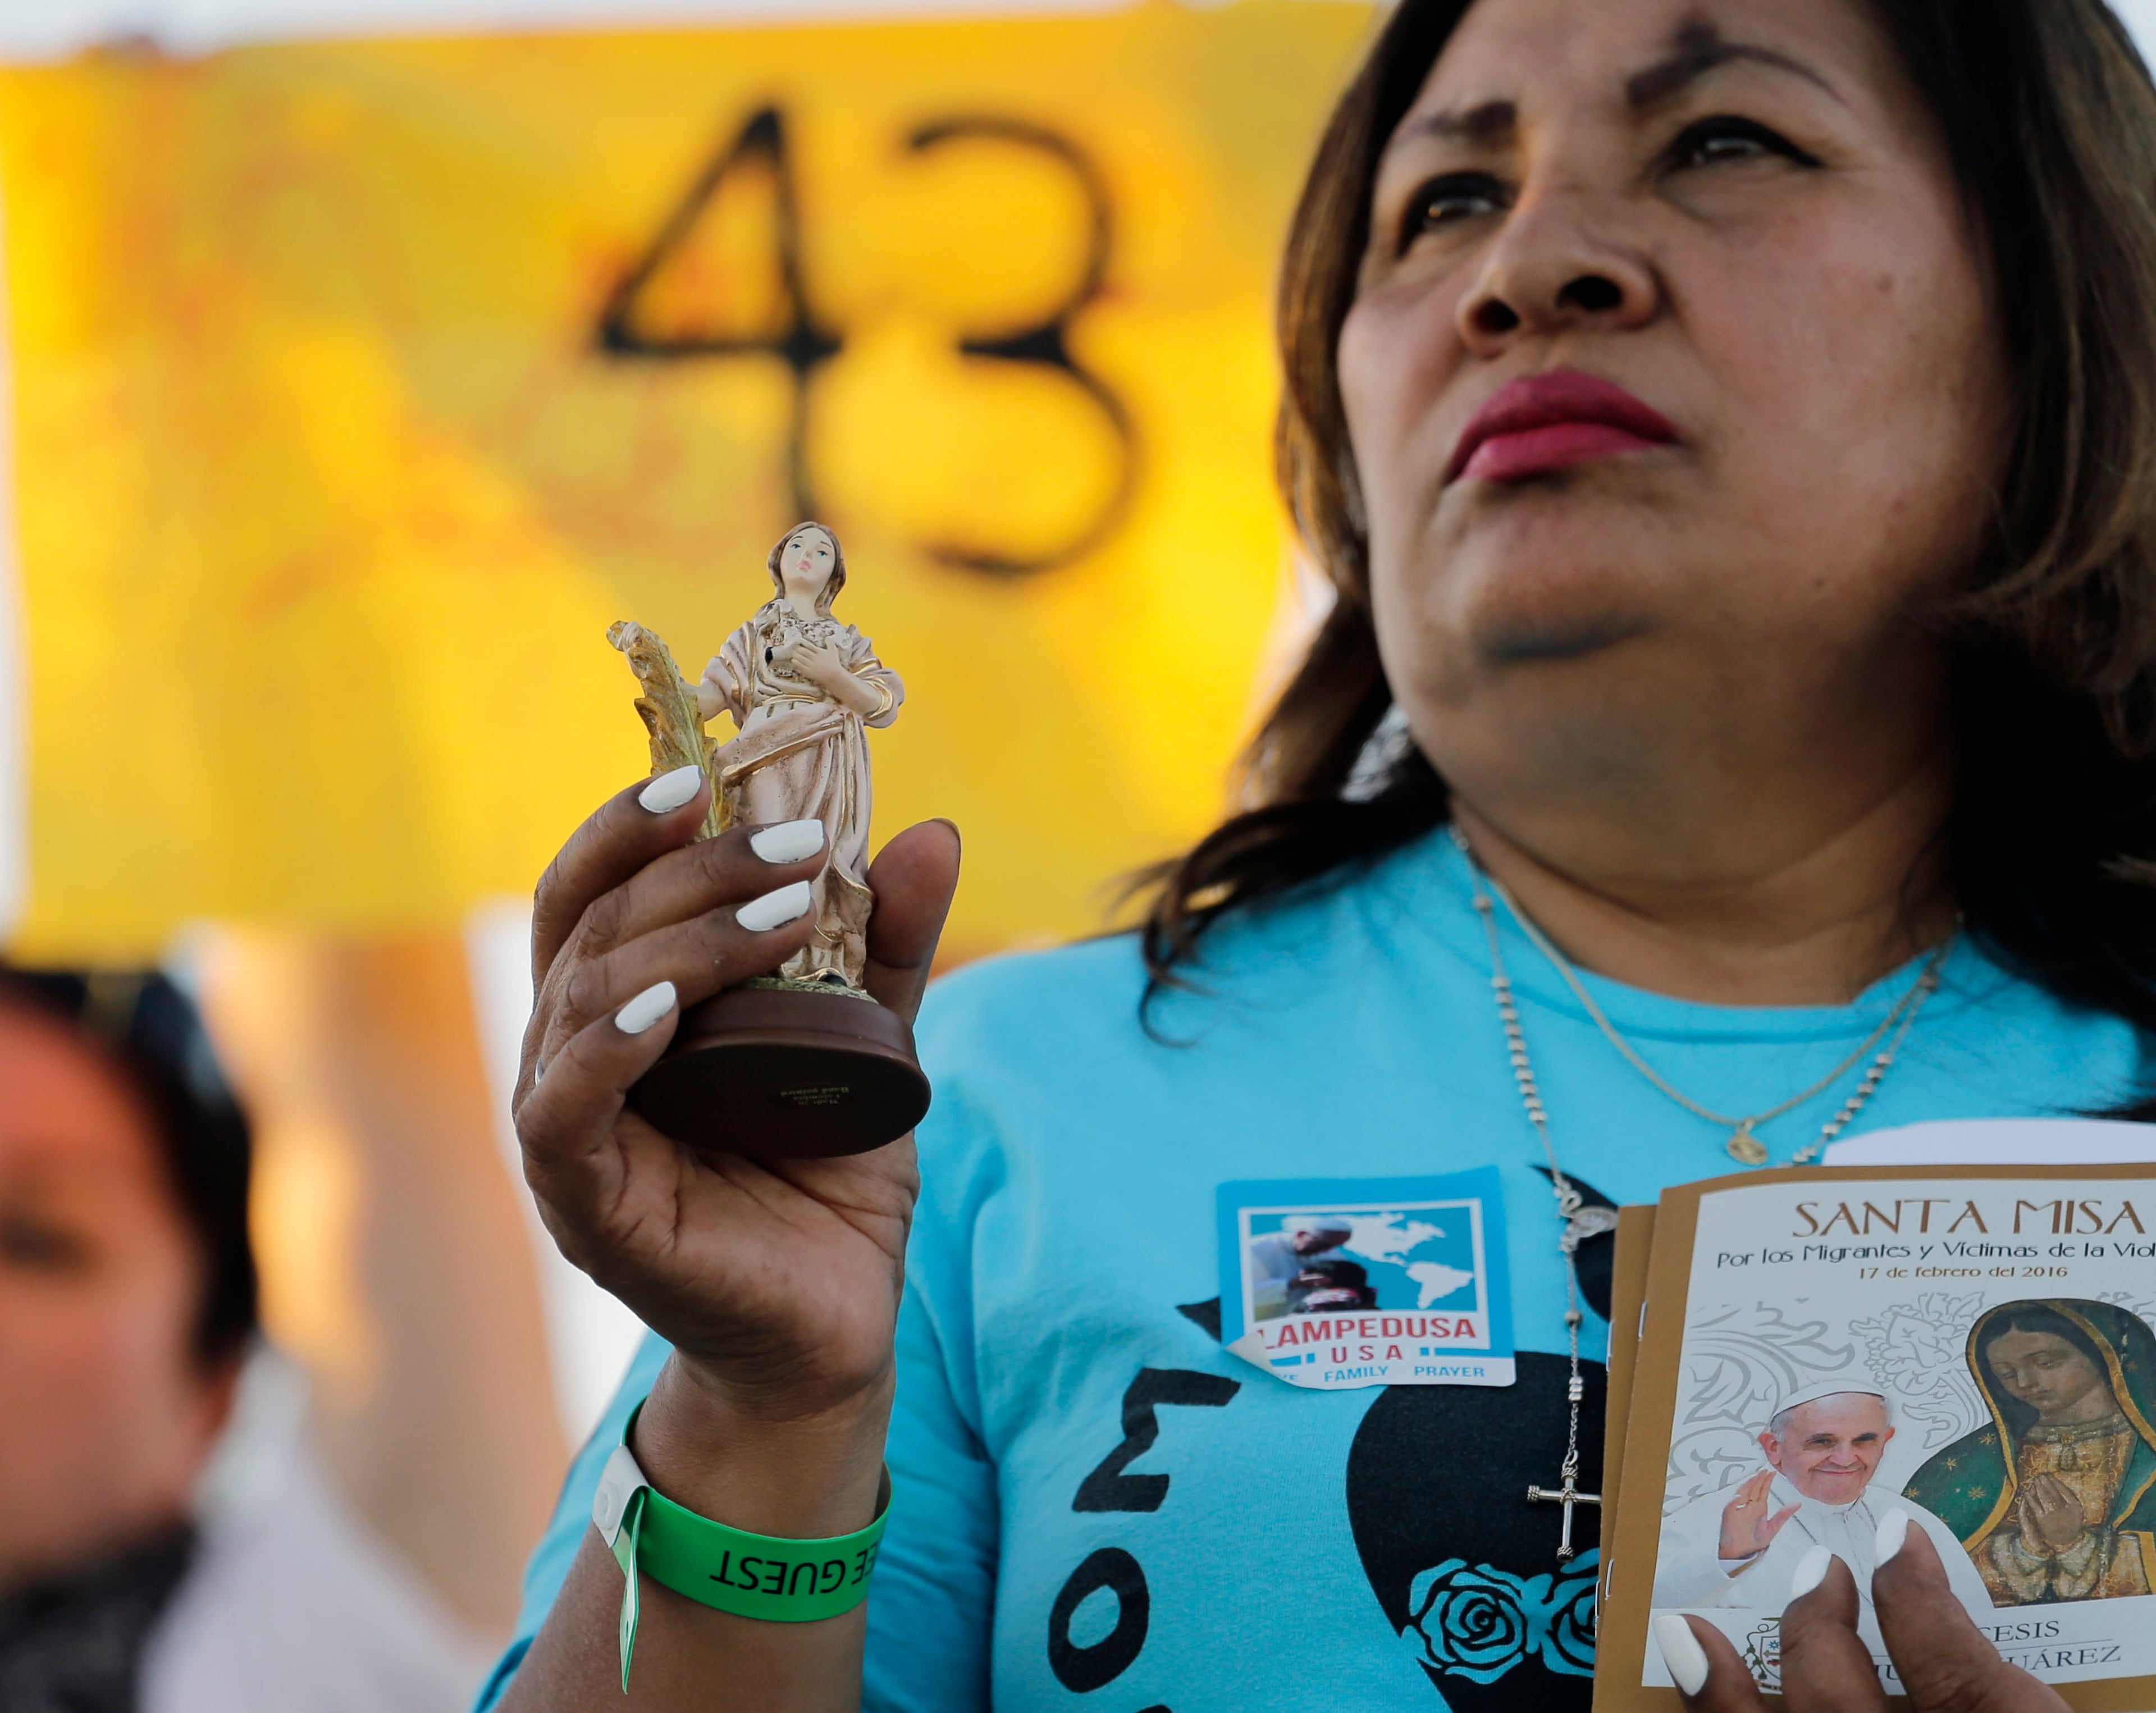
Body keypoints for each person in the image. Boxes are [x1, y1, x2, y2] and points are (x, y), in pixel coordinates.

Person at [488, 0, 2156, 1707]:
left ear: (2053, 309)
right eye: (1439, 201)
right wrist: (766, 1416)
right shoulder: (982, 1117)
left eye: (1722, 141)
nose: (1525, 267)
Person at [695, 522, 904, 986]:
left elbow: (881, 704)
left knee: (821, 856)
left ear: (835, 575)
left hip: (829, 757)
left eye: (822, 551)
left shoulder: (847, 641)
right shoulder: (753, 634)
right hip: (763, 751)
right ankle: (759, 954)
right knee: (765, 846)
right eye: (797, 545)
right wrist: (661, 680)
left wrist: (834, 675)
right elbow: (707, 699)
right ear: (779, 559)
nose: (807, 554)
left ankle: (813, 963)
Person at [1653, 1385, 1989, 1615]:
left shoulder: (1912, 1519)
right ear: (1774, 1448)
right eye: (1822, 1442)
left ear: (1885, 1441)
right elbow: (1635, 1616)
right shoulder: (1712, 1519)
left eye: (1864, 1441)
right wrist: (1727, 1559)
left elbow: (1976, 1620)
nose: (1845, 1459)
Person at [1906, 1300, 2156, 1606]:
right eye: (2006, 1374)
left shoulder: (2148, 1449)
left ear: (2102, 1355)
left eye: (2046, 1363)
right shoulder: (1967, 1464)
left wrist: (2073, 1544)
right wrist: (2026, 1551)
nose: (2025, 1383)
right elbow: (1917, 1573)